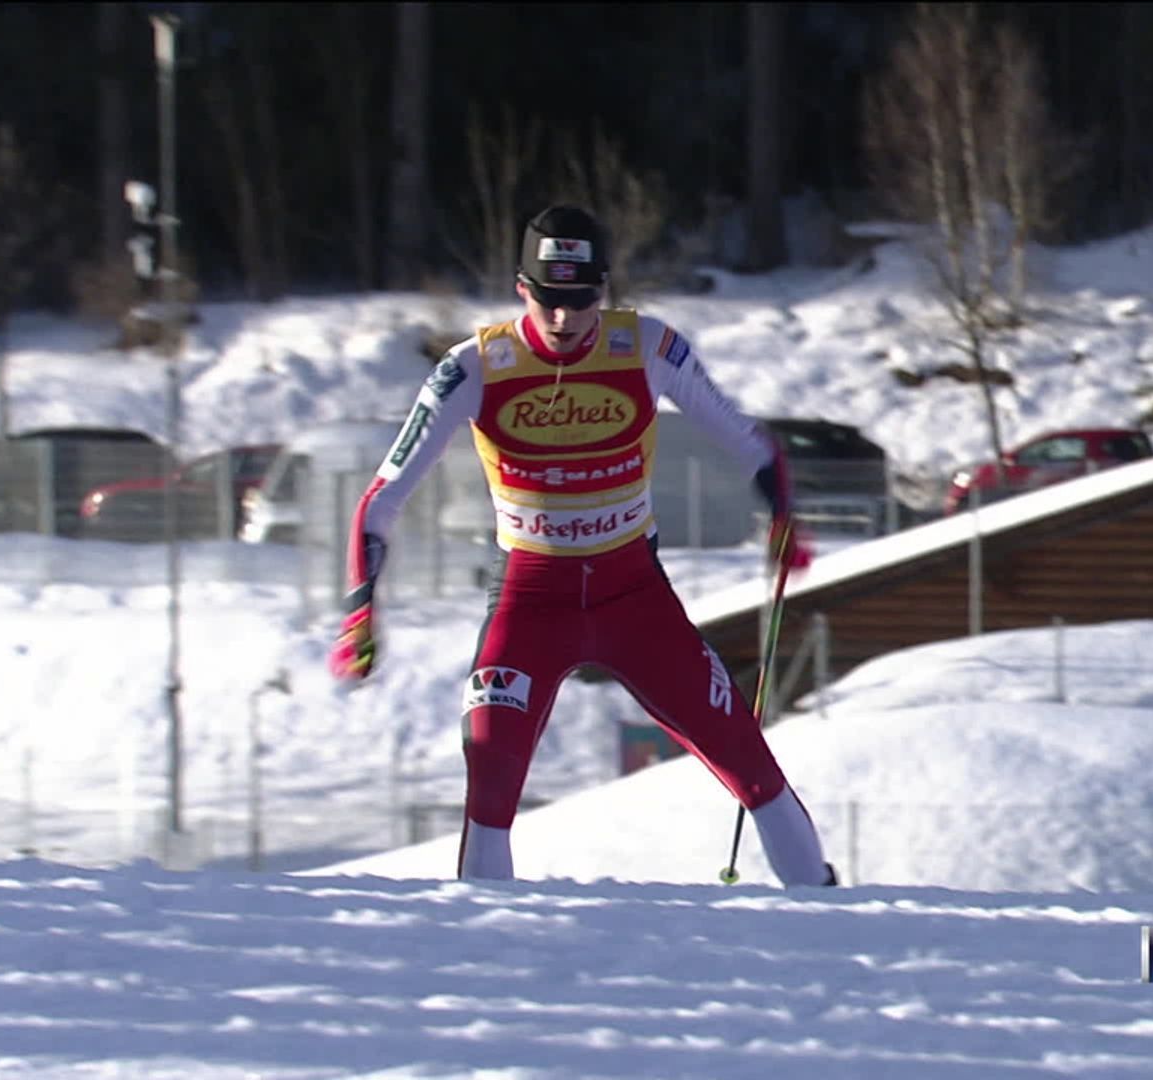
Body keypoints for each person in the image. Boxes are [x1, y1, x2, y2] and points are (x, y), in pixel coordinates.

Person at [329, 205, 836, 887]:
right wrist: (360, 609)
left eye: (582, 299)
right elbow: (381, 498)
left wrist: (781, 515)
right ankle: (484, 933)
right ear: (521, 289)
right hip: (530, 601)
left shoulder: (647, 346)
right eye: (548, 299)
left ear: (604, 290)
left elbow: (753, 444)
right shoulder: (475, 367)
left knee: (746, 758)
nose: (565, 318)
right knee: (491, 771)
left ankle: (825, 909)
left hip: (635, 600)